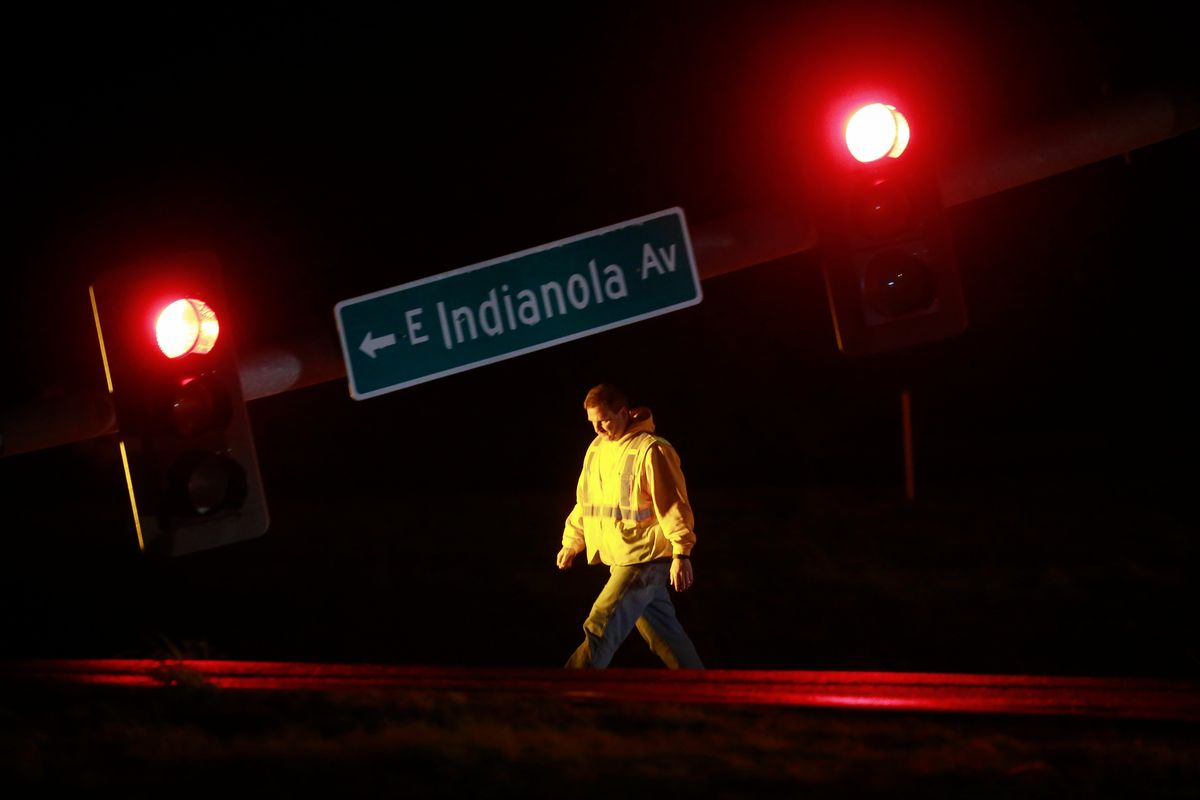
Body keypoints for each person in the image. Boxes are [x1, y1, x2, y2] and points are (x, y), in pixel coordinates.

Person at [557, 383, 703, 669]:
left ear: (623, 412)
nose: (597, 429)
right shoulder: (597, 449)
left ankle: (562, 691)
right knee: (666, 636)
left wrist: (681, 554)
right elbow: (586, 501)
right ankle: (706, 691)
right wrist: (572, 541)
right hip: (623, 556)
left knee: (600, 627)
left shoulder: (652, 450)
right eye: (592, 422)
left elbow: (673, 504)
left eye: (604, 420)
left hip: (643, 560)